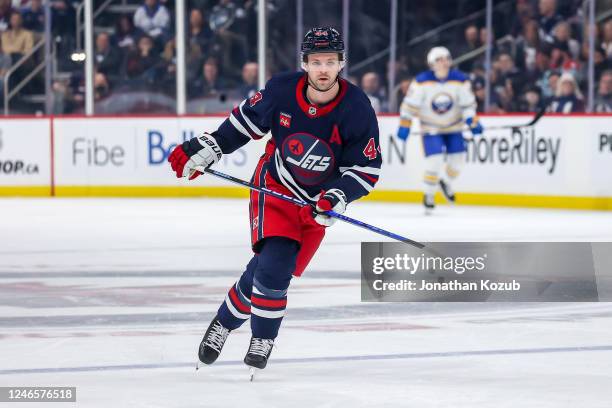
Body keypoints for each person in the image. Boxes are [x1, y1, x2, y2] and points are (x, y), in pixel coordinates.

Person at [167, 27, 381, 375]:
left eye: (330, 61)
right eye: (315, 62)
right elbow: (244, 123)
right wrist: (212, 147)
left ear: (342, 63)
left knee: (263, 273)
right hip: (275, 188)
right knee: (276, 264)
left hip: (316, 204)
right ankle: (262, 338)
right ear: (305, 64)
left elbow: (365, 168)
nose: (323, 69)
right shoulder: (282, 88)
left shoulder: (357, 107)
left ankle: (223, 322)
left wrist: (338, 196)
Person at [397, 46, 482, 214]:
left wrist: (472, 120)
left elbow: (468, 105)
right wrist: (404, 124)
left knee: (457, 164)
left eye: (446, 58)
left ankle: (445, 182)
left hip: (454, 128)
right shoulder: (421, 81)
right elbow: (409, 106)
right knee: (434, 162)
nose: (443, 62)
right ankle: (429, 195)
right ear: (431, 64)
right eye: (439, 59)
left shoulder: (460, 80)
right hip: (431, 128)